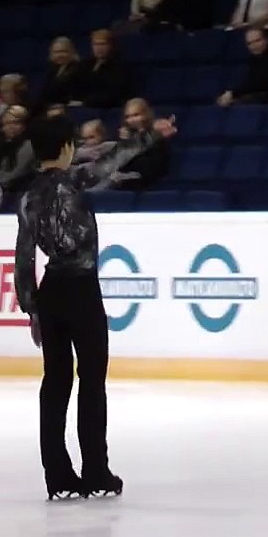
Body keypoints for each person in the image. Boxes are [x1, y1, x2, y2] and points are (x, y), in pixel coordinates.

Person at [13, 112, 176, 501]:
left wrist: (31, 307)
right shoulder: (73, 180)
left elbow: (23, 256)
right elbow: (113, 158)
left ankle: (58, 475)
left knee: (55, 383)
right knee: (91, 380)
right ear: (67, 148)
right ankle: (96, 471)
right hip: (82, 290)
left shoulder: (28, 197)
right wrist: (153, 135)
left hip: (51, 292)